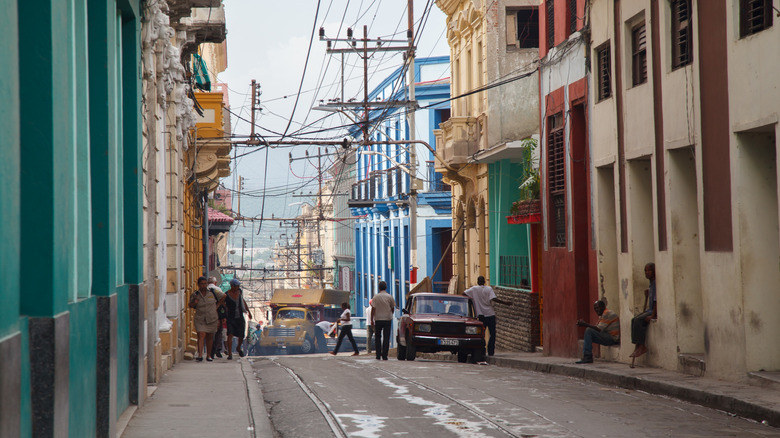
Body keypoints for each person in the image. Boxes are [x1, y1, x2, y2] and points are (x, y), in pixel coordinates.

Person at [464, 276, 512, 358]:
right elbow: (494, 299)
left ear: (478, 282)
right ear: (484, 282)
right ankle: (491, 351)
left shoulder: (474, 289)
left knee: (481, 334)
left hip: (481, 315)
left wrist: (472, 302)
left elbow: (464, 294)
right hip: (490, 314)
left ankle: (482, 350)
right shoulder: (489, 289)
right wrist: (505, 303)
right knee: (492, 334)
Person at [188, 276, 226, 362]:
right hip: (200, 318)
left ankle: (208, 355)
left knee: (210, 336)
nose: (203, 285)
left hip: (212, 318)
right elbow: (190, 305)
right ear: (198, 285)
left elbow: (224, 296)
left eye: (205, 284)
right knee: (201, 334)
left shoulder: (213, 292)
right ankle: (200, 354)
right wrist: (195, 302)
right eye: (202, 284)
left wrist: (217, 305)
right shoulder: (195, 294)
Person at [575, 300, 620, 364]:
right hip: (608, 337)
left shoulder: (607, 313)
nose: (596, 310)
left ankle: (587, 357)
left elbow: (598, 329)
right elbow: (597, 329)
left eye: (597, 308)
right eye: (595, 308)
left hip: (613, 338)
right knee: (588, 332)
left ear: (603, 307)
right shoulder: (603, 315)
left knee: (589, 330)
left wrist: (585, 324)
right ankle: (587, 356)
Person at [630, 263, 656, 367]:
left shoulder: (655, 283)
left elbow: (656, 302)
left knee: (637, 320)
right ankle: (637, 346)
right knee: (633, 320)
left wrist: (652, 316)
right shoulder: (651, 284)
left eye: (649, 270)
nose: (647, 273)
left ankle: (642, 346)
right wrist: (648, 293)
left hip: (652, 311)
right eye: (645, 271)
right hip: (649, 309)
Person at [225, 278, 253, 359]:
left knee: (241, 335)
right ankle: (230, 354)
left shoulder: (239, 292)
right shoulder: (226, 294)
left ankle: (238, 347)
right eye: (236, 286)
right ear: (232, 286)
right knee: (230, 334)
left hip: (239, 317)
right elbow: (224, 305)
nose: (238, 287)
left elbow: (243, 302)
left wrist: (248, 312)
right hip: (230, 317)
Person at [370, 281, 396, 360]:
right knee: (386, 337)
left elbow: (373, 309)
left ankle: (378, 355)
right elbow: (392, 308)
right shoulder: (389, 297)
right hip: (387, 319)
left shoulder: (375, 297)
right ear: (386, 287)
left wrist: (371, 319)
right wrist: (390, 314)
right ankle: (385, 355)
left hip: (378, 319)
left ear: (379, 288)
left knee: (377, 337)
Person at [208, 276, 227, 358]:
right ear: (215, 283)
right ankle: (217, 348)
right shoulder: (218, 289)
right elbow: (224, 298)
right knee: (218, 331)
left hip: (207, 313)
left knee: (209, 332)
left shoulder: (205, 289)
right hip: (217, 313)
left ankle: (210, 349)